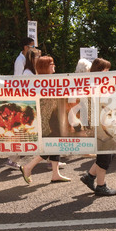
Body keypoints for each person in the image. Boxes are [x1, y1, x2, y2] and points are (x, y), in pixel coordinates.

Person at [19, 55, 70, 184]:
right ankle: (29, 166)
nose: (54, 66)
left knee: (55, 144)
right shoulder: (43, 82)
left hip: (52, 119)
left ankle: (55, 173)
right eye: (52, 64)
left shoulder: (46, 80)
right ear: (45, 66)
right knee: (52, 145)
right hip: (47, 121)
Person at [80, 58, 116, 196]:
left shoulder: (96, 85)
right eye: (106, 70)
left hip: (101, 124)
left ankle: (89, 177)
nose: (108, 72)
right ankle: (101, 186)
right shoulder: (94, 86)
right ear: (99, 71)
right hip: (98, 126)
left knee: (108, 154)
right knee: (105, 156)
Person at [7, 37, 35, 169]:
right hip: (21, 98)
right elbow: (18, 81)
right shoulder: (20, 61)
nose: (33, 48)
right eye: (31, 46)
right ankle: (12, 158)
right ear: (25, 47)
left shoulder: (27, 60)